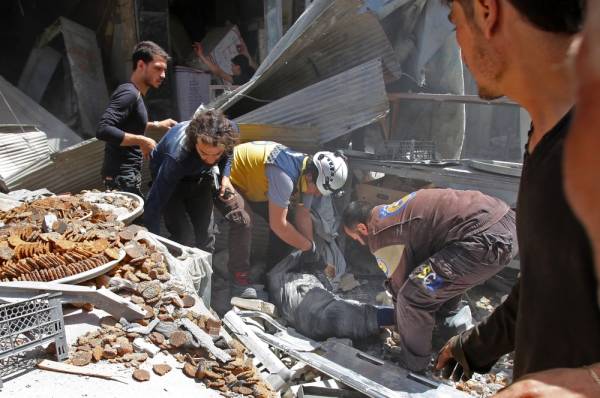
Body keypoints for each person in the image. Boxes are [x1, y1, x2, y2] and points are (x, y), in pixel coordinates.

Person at [435, 0, 600, 387]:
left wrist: (582, 386)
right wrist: (475, 346)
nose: (457, 44)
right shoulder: (544, 141)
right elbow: (548, 282)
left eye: (454, 22)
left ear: (487, 11)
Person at [342, 189, 517, 372]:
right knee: (431, 277)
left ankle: (415, 365)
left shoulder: (380, 234)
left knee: (412, 297)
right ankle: (442, 330)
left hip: (485, 240)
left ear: (362, 228)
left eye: (356, 238)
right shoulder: (390, 212)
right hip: (502, 220)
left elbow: (401, 289)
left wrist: (401, 324)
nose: (360, 243)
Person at [225, 141, 348, 296]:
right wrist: (306, 246)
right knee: (244, 221)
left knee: (290, 226)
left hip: (255, 185)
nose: (317, 195)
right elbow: (279, 225)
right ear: (310, 177)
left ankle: (271, 276)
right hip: (231, 179)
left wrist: (311, 249)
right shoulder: (284, 176)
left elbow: (303, 214)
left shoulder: (309, 172)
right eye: (318, 190)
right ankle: (239, 281)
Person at [143, 108, 238, 252]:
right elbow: (153, 206)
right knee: (182, 237)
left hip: (200, 178)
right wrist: (152, 247)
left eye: (217, 154)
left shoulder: (229, 129)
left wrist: (225, 177)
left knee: (207, 237)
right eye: (204, 153)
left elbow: (229, 152)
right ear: (195, 143)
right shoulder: (177, 158)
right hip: (172, 184)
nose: (211, 160)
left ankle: (206, 273)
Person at [96, 41, 177, 196]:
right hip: (121, 176)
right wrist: (143, 141)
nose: (163, 75)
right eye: (157, 68)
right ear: (141, 65)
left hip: (126, 175)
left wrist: (157, 125)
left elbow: (127, 124)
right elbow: (103, 129)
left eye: (164, 70)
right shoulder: (129, 94)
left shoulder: (135, 93)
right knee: (141, 219)